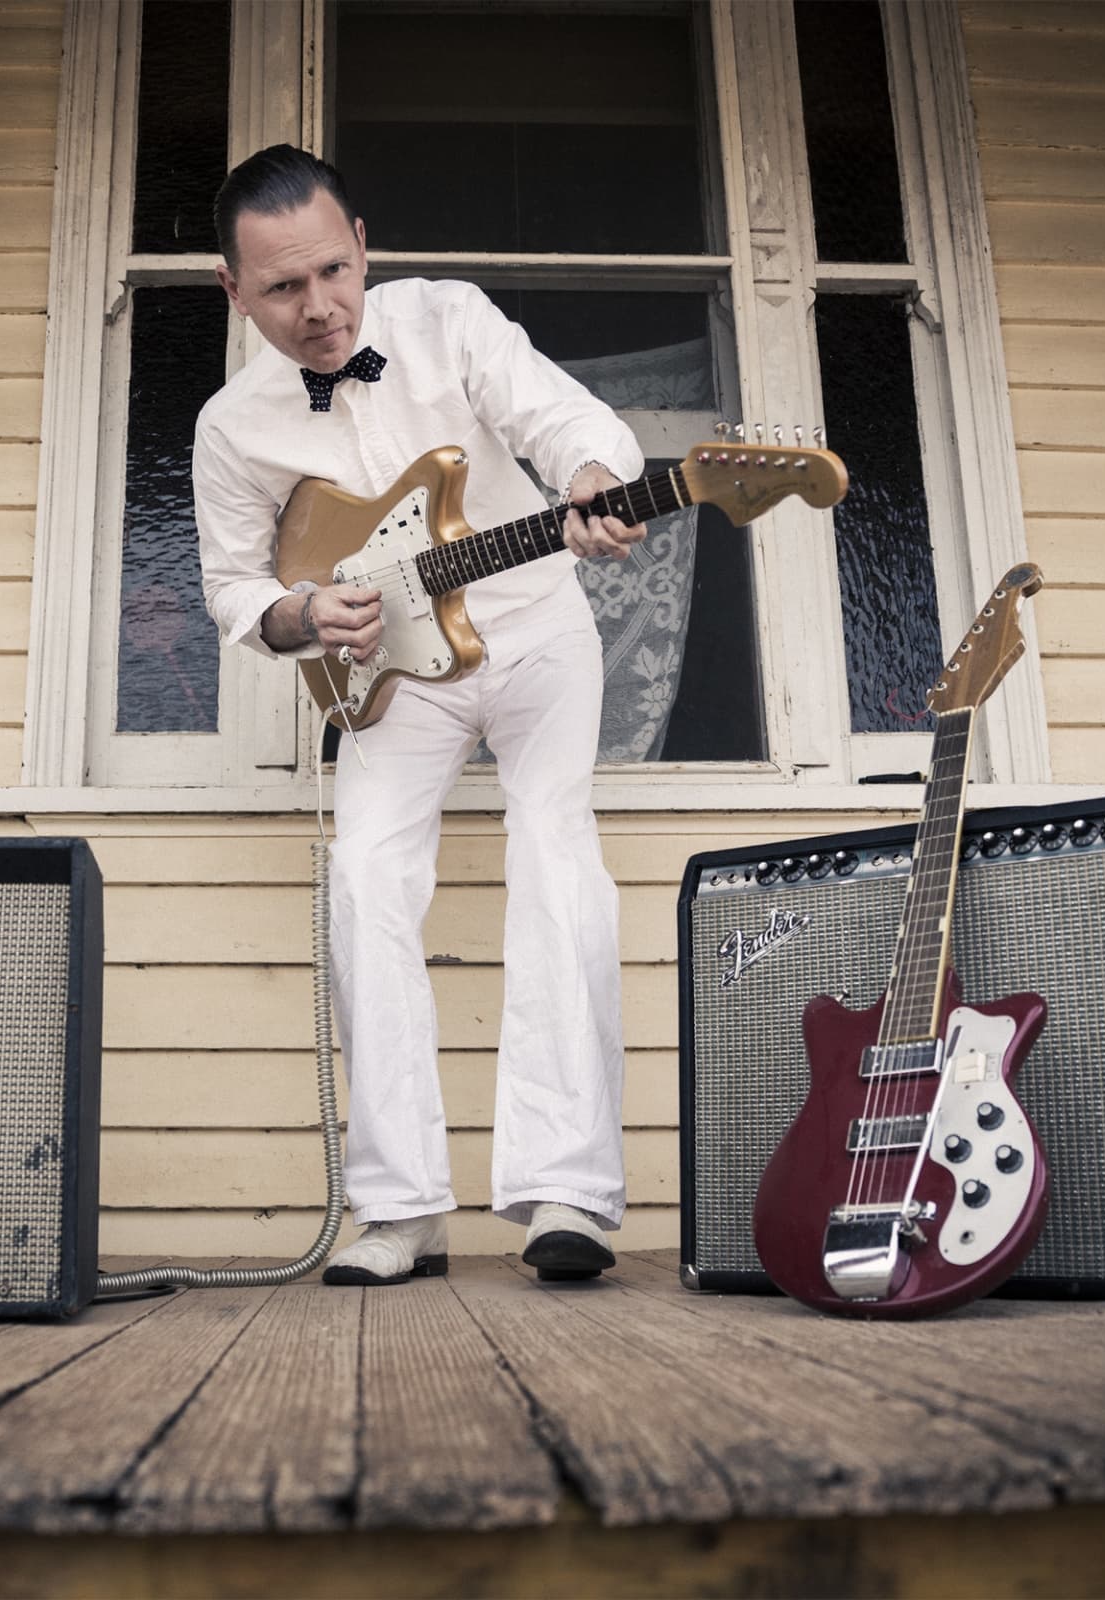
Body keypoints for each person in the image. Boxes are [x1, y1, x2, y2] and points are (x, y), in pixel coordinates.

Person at [192, 145, 648, 1286]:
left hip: (537, 626)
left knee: (559, 863)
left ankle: (570, 1197)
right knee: (364, 887)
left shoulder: (448, 320)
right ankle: (400, 1212)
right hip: (391, 672)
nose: (319, 308)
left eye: (334, 273)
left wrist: (592, 478)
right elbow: (231, 584)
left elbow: (563, 421)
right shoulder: (231, 426)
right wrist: (302, 614)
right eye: (284, 288)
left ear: (364, 248)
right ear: (233, 290)